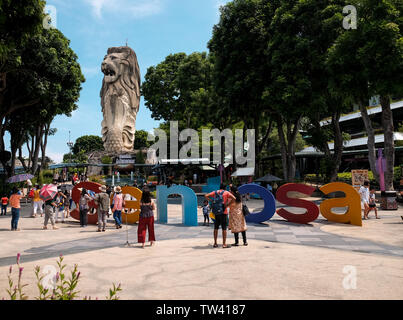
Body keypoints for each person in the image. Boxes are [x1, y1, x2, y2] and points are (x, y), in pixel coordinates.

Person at [205, 183, 236, 248]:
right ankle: (224, 244)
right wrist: (227, 204)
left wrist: (212, 200)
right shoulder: (226, 192)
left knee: (216, 227)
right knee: (224, 228)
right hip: (223, 212)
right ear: (225, 187)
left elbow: (206, 195)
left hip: (216, 213)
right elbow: (234, 198)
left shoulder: (215, 192)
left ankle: (215, 243)